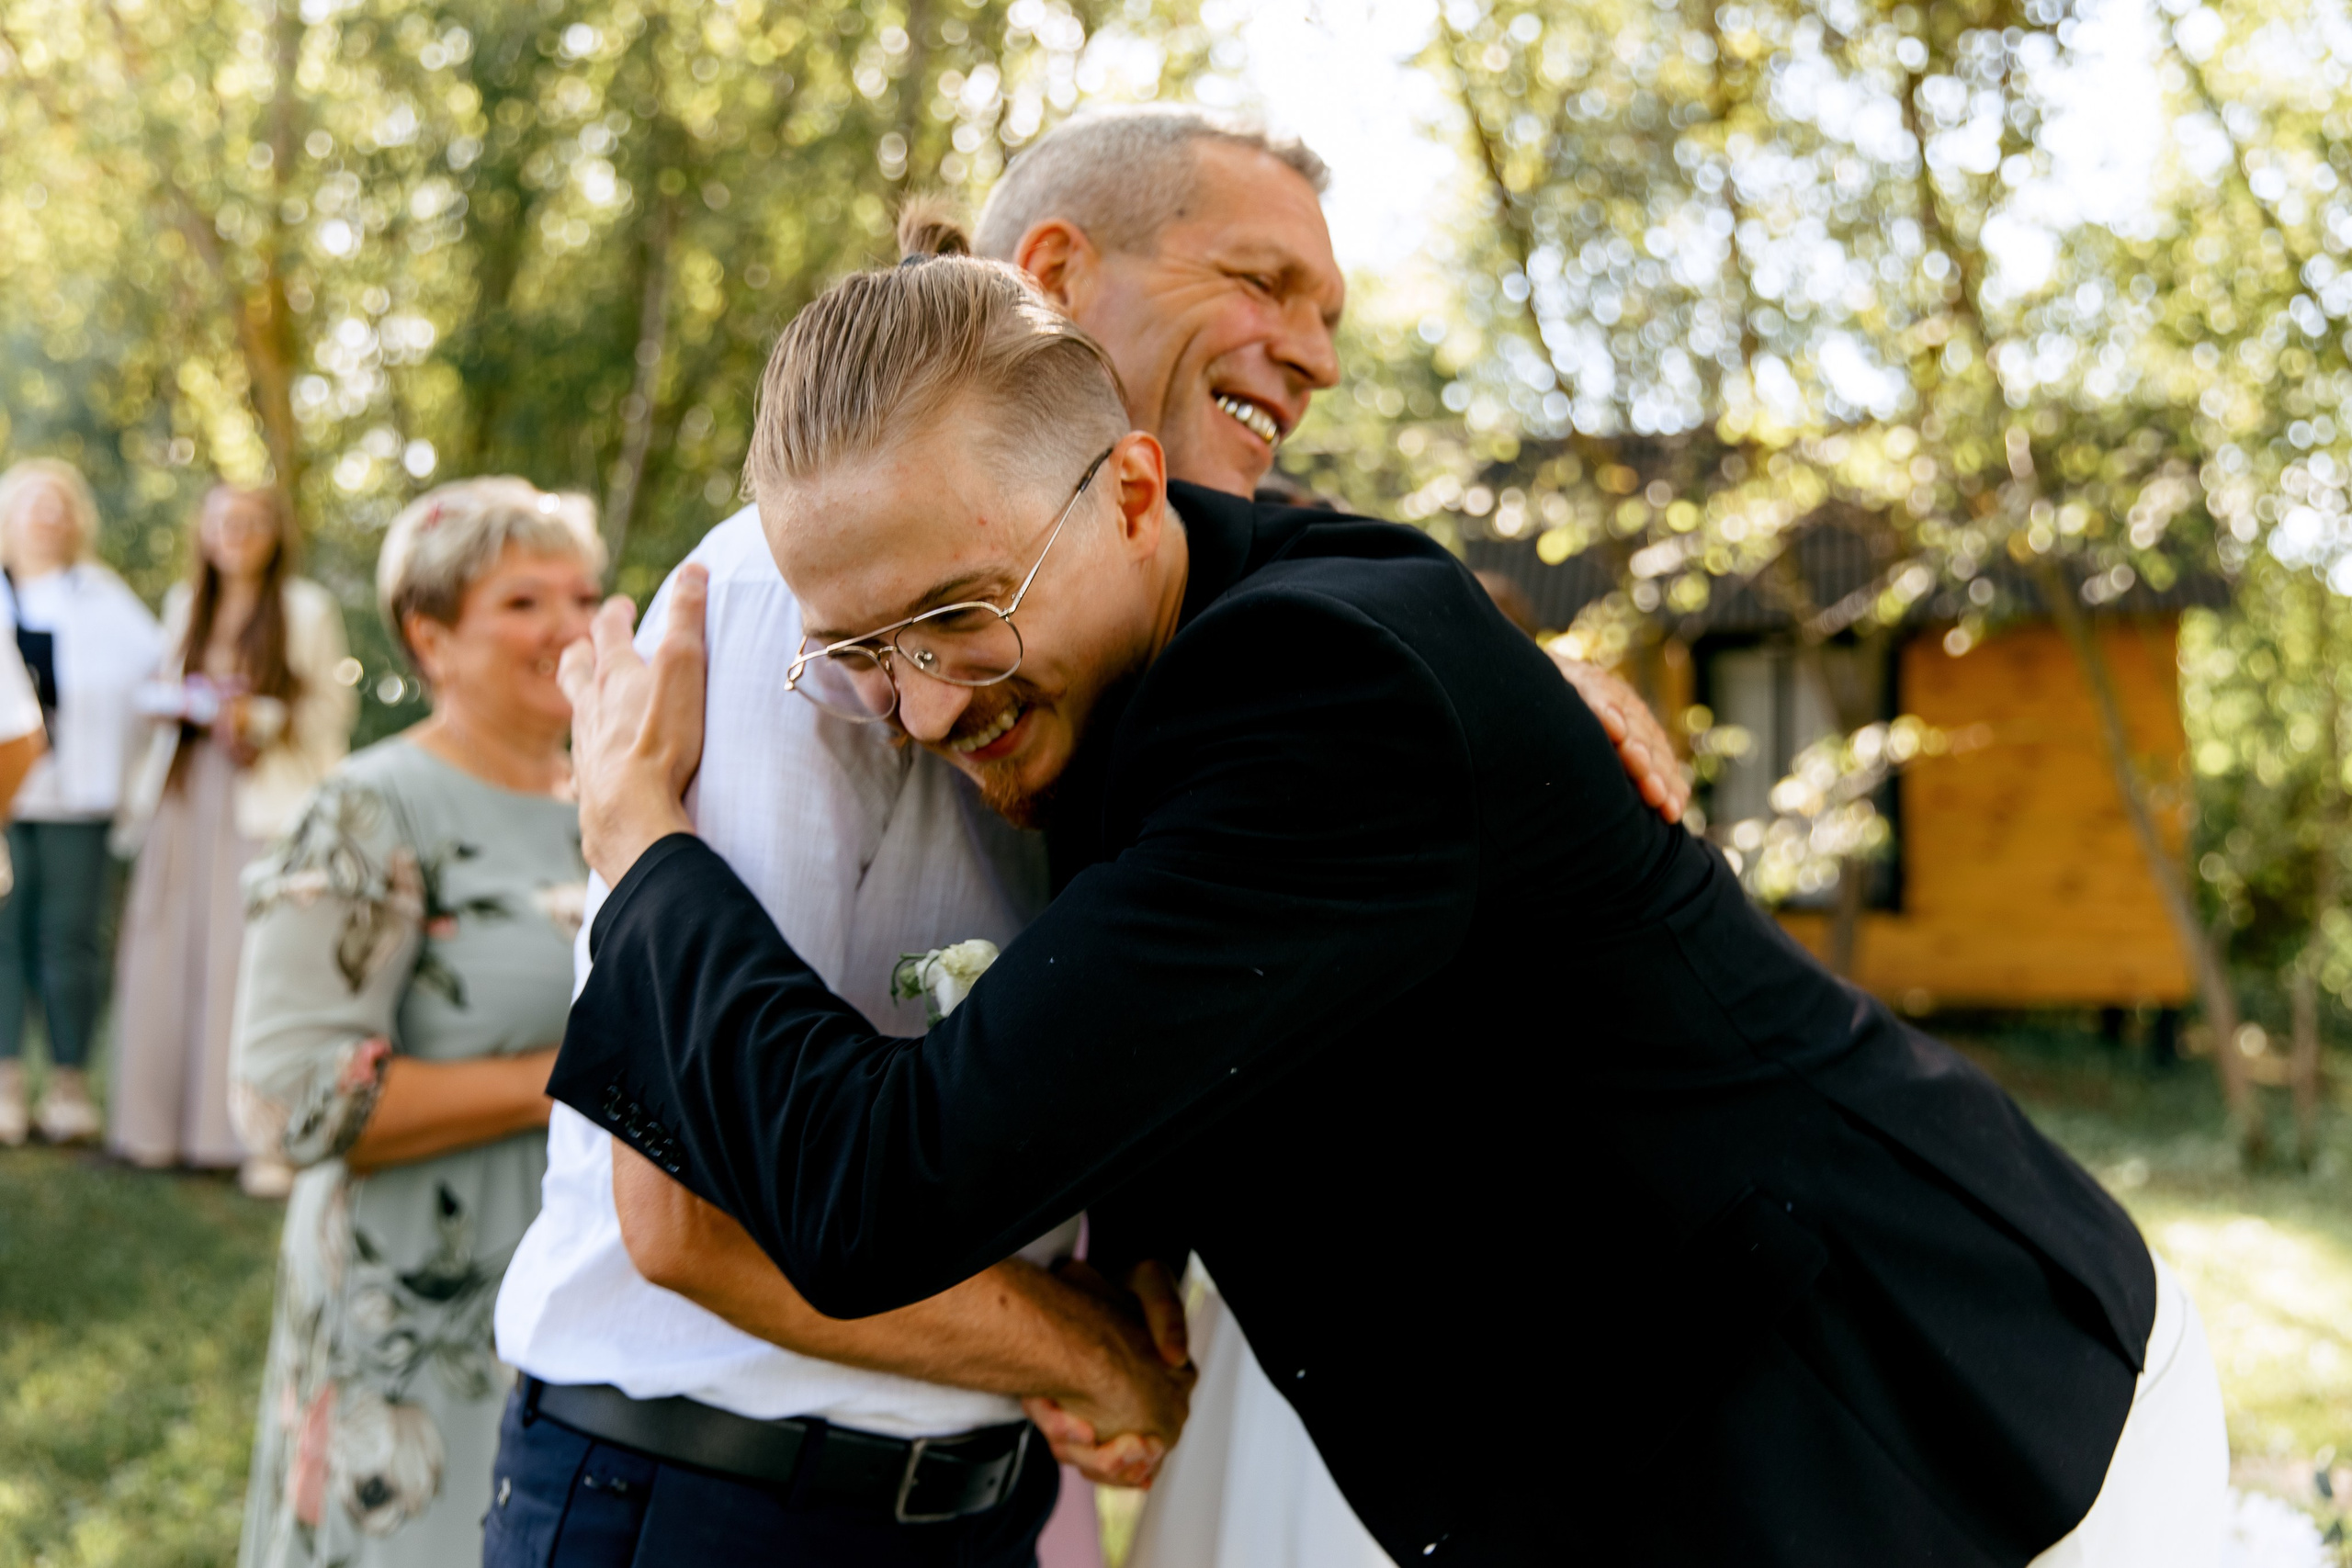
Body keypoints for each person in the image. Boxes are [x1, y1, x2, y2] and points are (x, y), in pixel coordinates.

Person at [551, 224, 2230, 1566]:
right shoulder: (1164, 642)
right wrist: (1134, 1231)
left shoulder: (1315, 700)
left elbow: (882, 1190)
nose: (919, 709)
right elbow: (1202, 1021)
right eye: (858, 660)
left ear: (1132, 492)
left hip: (1913, 1414)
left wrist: (641, 847)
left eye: (956, 620)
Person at [488, 112, 1687, 1568]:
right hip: (715, 1496)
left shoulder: (1203, 629)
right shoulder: (783, 608)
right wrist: (1085, 1352)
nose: (1310, 351)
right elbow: (688, 1221)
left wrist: (1516, 694)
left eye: (1326, 314)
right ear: (1054, 269)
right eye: (1263, 281)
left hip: (973, 1495)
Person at [232, 479, 602, 1567]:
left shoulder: (622, 801)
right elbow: (289, 1100)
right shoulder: (368, 807)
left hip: (580, 1318)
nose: (570, 627)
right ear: (428, 636)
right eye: (525, 603)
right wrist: (590, 1075)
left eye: (584, 596)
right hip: (409, 1332)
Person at [107, 483, 353, 1192]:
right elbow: (161, 687)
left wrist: (257, 719)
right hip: (185, 799)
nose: (237, 534)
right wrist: (176, 702)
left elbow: (330, 711)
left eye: (251, 522)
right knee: (166, 954)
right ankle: (154, 1130)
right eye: (224, 522)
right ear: (206, 533)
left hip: (262, 803)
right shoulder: (185, 604)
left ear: (274, 533)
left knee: (243, 962)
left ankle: (248, 1138)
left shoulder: (307, 609)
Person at [0, 459, 151, 1145]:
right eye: (32, 502)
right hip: (7, 794)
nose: (46, 515)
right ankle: (4, 1084)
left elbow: (156, 676)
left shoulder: (104, 597)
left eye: (59, 504)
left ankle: (67, 1084)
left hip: (75, 796)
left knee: (71, 941)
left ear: (76, 520)